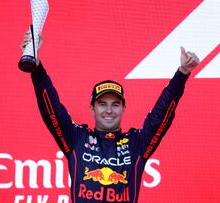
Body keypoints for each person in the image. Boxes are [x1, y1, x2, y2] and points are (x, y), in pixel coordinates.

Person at [20, 30, 199, 203]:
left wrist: (182, 74)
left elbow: (161, 116)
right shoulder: (77, 139)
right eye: (102, 104)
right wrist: (37, 68)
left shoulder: (137, 144)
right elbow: (52, 110)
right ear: (92, 109)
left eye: (115, 105)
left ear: (123, 109)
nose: (109, 111)